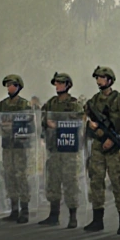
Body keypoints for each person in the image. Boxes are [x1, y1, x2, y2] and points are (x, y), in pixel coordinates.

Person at [83, 66, 120, 234]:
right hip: (98, 147)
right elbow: (82, 114)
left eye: (101, 77)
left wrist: (119, 138)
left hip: (114, 146)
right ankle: (97, 219)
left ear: (109, 80)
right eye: (97, 77)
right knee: (96, 181)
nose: (98, 80)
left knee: (119, 182)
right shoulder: (93, 101)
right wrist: (89, 124)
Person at [0, 74, 34, 223]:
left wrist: (14, 129)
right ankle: (14, 209)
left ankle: (25, 210)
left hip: (21, 148)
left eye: (12, 85)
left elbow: (32, 126)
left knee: (21, 177)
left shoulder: (25, 106)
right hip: (7, 147)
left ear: (18, 87)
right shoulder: (1, 106)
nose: (9, 88)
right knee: (9, 176)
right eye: (7, 85)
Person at [38, 72, 84, 228]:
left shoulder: (74, 104)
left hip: (70, 149)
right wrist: (45, 121)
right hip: (54, 149)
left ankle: (73, 216)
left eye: (60, 83)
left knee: (71, 182)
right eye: (56, 83)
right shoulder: (51, 103)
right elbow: (41, 118)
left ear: (67, 85)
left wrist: (56, 124)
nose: (57, 86)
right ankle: (53, 215)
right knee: (53, 181)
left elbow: (78, 121)